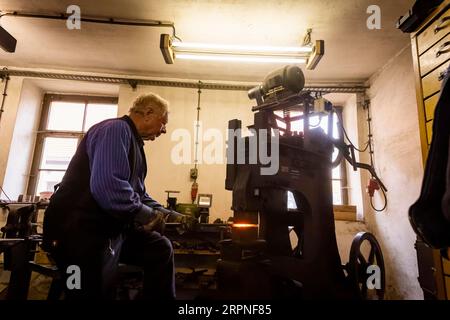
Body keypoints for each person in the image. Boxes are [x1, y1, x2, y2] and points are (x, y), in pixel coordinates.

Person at [42, 93, 182, 299]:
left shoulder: (134, 143)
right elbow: (109, 188)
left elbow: (139, 193)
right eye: (163, 123)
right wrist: (148, 216)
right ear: (148, 113)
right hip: (77, 233)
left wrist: (168, 214)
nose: (164, 130)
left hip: (106, 231)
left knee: (159, 248)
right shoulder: (115, 130)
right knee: (86, 291)